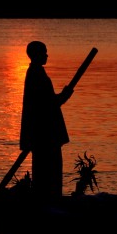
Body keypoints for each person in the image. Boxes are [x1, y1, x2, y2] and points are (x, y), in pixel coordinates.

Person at [19, 41, 74, 200]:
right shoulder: (36, 75)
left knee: (47, 173)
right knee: (50, 172)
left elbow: (47, 102)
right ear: (36, 55)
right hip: (45, 135)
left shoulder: (36, 73)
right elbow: (48, 104)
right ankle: (49, 202)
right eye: (44, 52)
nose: (47, 55)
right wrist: (65, 95)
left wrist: (63, 96)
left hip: (43, 134)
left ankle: (47, 200)